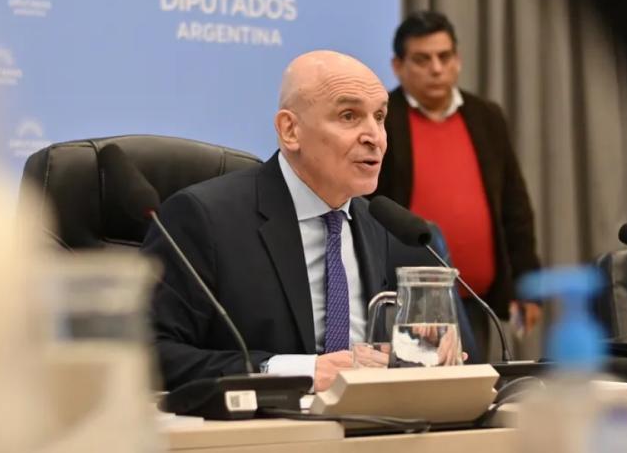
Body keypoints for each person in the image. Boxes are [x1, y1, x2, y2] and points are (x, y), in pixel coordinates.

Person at [143, 50, 477, 392]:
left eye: (379, 117)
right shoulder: (203, 218)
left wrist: (422, 358)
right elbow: (147, 354)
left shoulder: (387, 229)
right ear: (290, 130)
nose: (374, 137)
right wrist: (299, 371)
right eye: (349, 116)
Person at [373, 11, 542, 359]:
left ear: (458, 59)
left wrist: (526, 284)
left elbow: (515, 207)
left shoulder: (486, 116)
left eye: (444, 56)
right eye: (422, 59)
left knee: (478, 381)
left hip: (478, 298)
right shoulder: (382, 120)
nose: (436, 68)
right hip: (409, 301)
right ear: (398, 66)